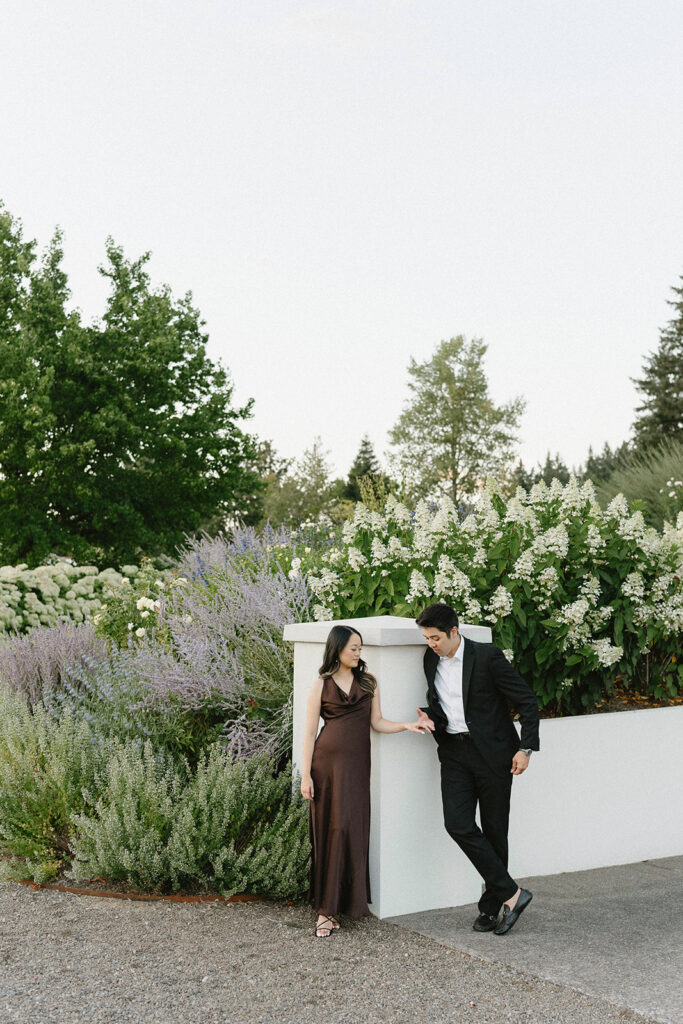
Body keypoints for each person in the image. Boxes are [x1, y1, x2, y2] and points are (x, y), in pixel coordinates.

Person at [415, 603, 540, 935]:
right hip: (454, 752)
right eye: (427, 638)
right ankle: (513, 894)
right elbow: (447, 705)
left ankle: (490, 908)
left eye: (435, 637)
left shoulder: (487, 657)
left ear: (454, 632)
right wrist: (430, 717)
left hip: (495, 754)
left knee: (495, 830)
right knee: (457, 823)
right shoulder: (430, 659)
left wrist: (525, 748)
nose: (431, 644)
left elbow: (527, 701)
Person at [300, 624, 427, 938]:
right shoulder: (320, 685)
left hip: (356, 768)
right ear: (338, 649)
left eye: (360, 648)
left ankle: (344, 903)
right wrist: (305, 775)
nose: (358, 653)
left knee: (351, 829)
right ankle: (325, 912)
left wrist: (408, 726)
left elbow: (377, 722)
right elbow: (308, 733)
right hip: (325, 767)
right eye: (353, 648)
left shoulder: (368, 682)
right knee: (330, 830)